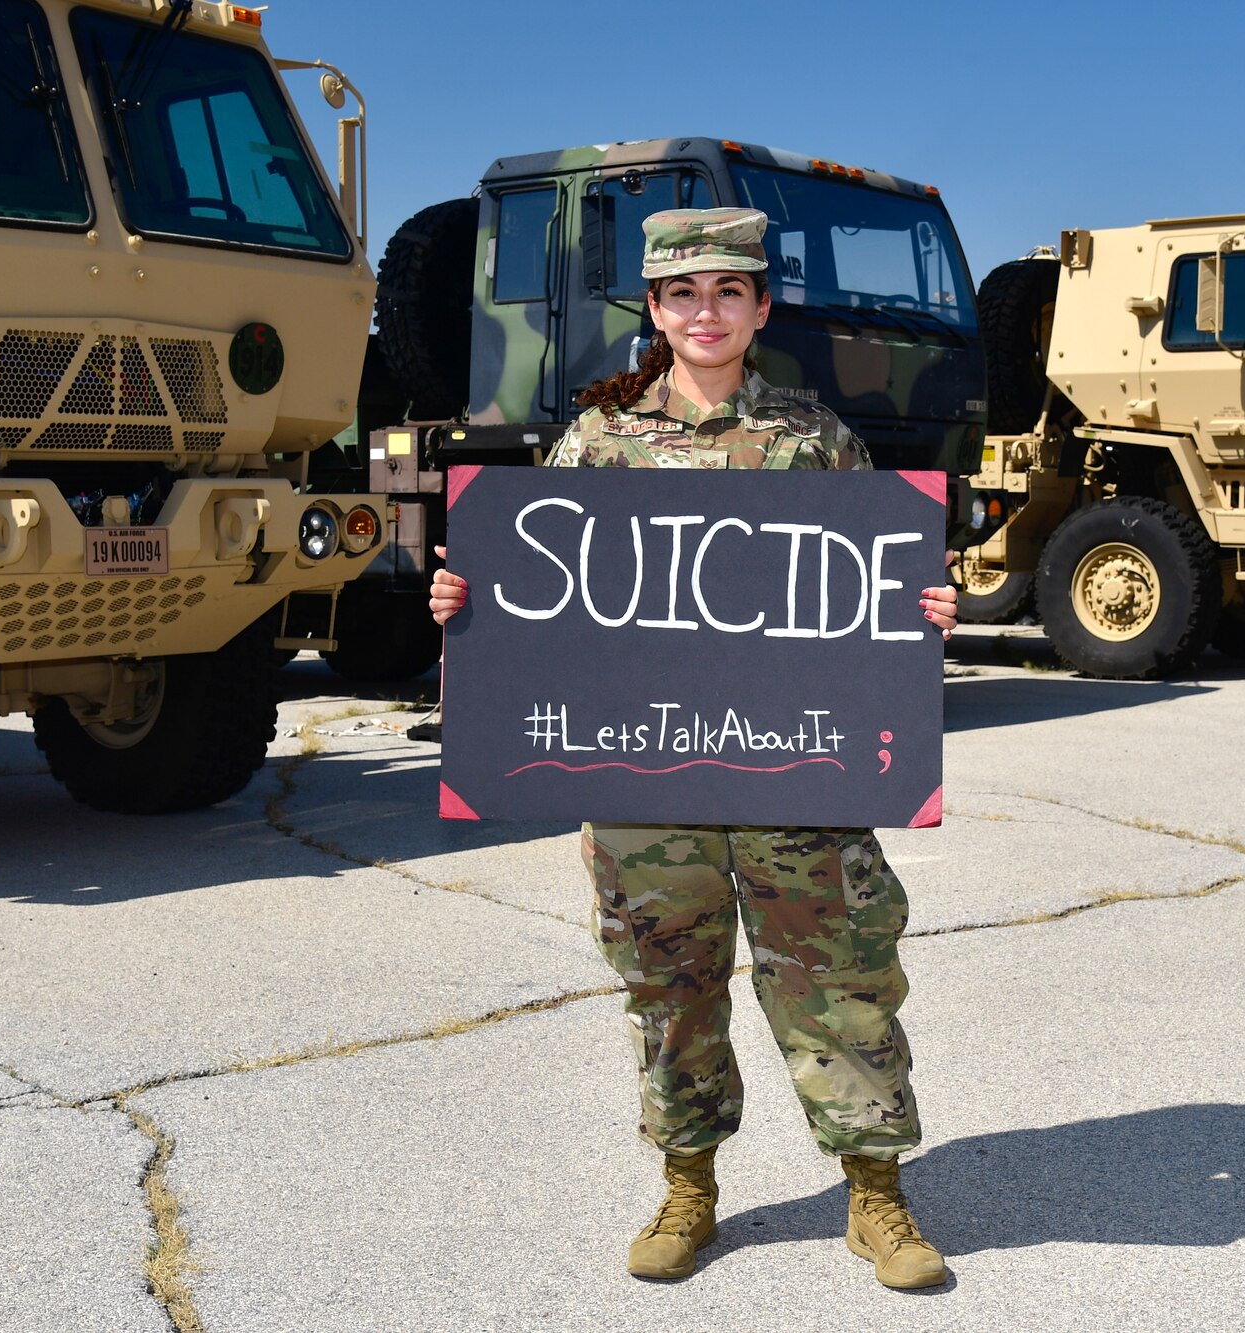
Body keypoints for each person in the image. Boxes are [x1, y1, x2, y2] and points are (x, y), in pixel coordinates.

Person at [429, 207, 958, 1289]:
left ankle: (875, 1197)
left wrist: (926, 609)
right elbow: (545, 591)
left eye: (727, 291)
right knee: (667, 978)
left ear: (759, 308)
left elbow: (869, 587)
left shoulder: (816, 441)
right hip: (642, 765)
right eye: (681, 293)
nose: (704, 311)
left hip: (792, 757)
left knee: (836, 969)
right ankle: (688, 1186)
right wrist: (466, 600)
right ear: (656, 313)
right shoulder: (596, 443)